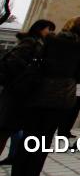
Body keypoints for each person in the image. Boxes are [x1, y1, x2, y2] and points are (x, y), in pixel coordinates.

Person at [12, 16, 80, 176]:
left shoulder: (49, 41)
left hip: (38, 93)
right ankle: (32, 172)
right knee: (44, 140)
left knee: (29, 136)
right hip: (60, 98)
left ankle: (18, 172)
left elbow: (36, 62)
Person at [0, 19, 55, 165]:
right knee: (7, 128)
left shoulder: (36, 43)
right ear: (41, 29)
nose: (50, 33)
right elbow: (15, 63)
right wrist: (28, 75)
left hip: (22, 92)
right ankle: (14, 156)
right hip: (17, 91)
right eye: (49, 29)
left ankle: (14, 156)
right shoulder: (31, 43)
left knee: (15, 128)